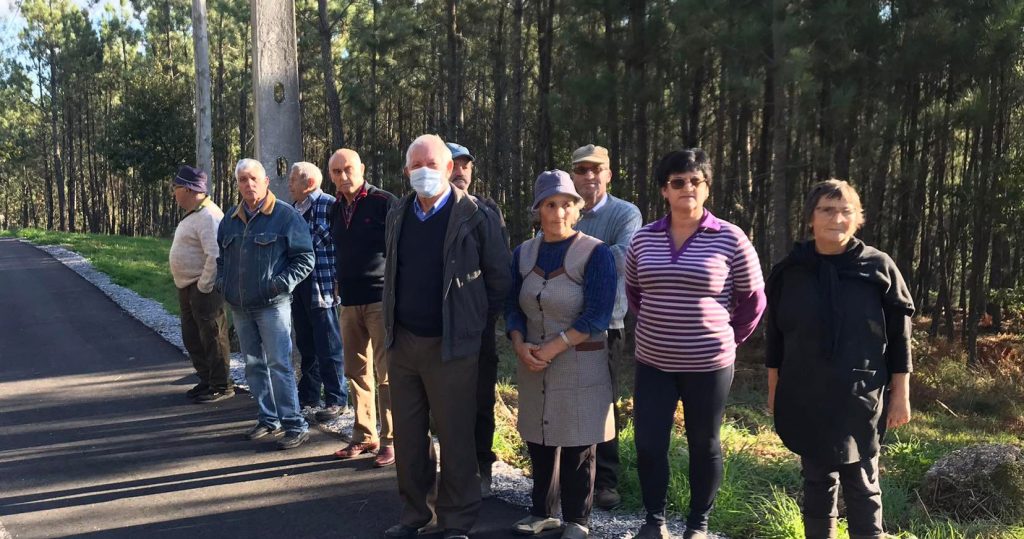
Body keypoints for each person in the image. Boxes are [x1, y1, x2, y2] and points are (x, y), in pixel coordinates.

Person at [625, 149, 765, 539]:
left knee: (705, 444)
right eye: (677, 182)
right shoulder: (643, 239)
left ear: (706, 188)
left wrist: (729, 338)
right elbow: (635, 292)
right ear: (664, 191)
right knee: (649, 444)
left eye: (695, 181)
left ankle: (697, 525)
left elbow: (754, 299)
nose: (687, 187)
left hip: (709, 364)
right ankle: (654, 521)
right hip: (653, 361)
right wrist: (662, 324)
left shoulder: (730, 238)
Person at [765, 179, 914, 539]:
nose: (837, 218)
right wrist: (774, 390)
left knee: (862, 481)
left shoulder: (878, 268)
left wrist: (901, 394)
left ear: (858, 218)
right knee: (816, 481)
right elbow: (776, 337)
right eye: (827, 210)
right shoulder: (791, 271)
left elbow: (900, 337)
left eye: (846, 211)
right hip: (806, 393)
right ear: (811, 218)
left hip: (860, 396)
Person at [382, 134, 511, 539]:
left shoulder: (476, 215)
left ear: (450, 168)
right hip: (402, 342)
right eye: (416, 166)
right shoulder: (398, 213)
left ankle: (456, 521)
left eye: (432, 164)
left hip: (452, 346)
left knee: (456, 438)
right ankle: (413, 514)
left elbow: (499, 280)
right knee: (408, 436)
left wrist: (471, 323)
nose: (424, 172)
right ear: (406, 172)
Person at [506, 170, 617, 539]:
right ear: (538, 210)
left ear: (577, 208)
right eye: (550, 205)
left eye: (567, 204)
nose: (559, 213)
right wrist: (520, 344)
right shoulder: (523, 253)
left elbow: (598, 314)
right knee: (539, 436)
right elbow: (511, 306)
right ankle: (542, 511)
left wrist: (554, 347)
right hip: (533, 360)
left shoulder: (596, 253)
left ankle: (578, 519)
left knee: (577, 441)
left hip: (578, 360)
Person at [216, 158, 314, 450]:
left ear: (266, 181)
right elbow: (222, 260)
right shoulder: (229, 219)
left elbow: (305, 259)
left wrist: (278, 284)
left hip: (272, 305)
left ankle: (294, 424)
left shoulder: (285, 216)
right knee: (254, 365)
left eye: (254, 178)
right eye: (243, 180)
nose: (249, 184)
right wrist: (224, 284)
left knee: (279, 364)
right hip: (240, 306)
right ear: (237, 184)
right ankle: (267, 418)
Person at [568, 144, 642, 509]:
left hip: (606, 323)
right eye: (582, 170)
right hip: (561, 324)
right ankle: (570, 476)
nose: (589, 176)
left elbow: (623, 258)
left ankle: (606, 481)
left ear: (608, 174)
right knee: (567, 398)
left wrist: (570, 261)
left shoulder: (625, 213)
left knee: (602, 403)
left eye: (596, 169)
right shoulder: (564, 209)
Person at [446, 141, 510, 497]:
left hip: (478, 326)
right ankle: (453, 470)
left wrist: (485, 315)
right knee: (444, 403)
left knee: (480, 399)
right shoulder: (424, 210)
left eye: (465, 165)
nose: (460, 171)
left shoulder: (487, 209)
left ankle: (482, 468)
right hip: (436, 328)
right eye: (453, 164)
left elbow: (500, 270)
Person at [328, 148, 399, 468]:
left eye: (348, 169)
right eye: (336, 172)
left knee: (386, 375)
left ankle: (391, 440)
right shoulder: (334, 208)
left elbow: (401, 251)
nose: (343, 177)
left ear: (362, 168)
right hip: (349, 302)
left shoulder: (384, 203)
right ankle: (363, 434)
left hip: (380, 299)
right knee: (355, 373)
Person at [286, 162, 348, 420]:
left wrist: (338, 281)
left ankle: (336, 399)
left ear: (308, 183)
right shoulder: (292, 210)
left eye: (293, 180)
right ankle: (309, 396)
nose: (289, 184)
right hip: (297, 286)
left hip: (323, 284)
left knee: (329, 344)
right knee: (306, 343)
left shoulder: (329, 205)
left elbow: (336, 245)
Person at [169, 165, 232, 403]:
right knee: (193, 336)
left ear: (187, 189)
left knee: (212, 336)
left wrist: (204, 286)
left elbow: (216, 254)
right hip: (189, 286)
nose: (174, 193)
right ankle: (207, 379)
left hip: (202, 288)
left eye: (176, 188)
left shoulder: (209, 215)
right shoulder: (196, 213)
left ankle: (221, 385)